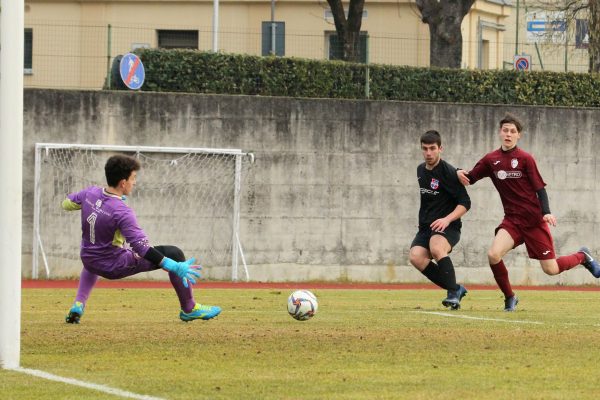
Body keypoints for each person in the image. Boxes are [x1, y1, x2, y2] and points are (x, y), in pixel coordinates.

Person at [458, 113, 600, 311]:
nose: (508, 134)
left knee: (551, 269)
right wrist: (456, 171)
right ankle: (510, 297)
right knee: (493, 254)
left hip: (534, 221)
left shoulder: (525, 159)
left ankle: (582, 256)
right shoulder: (491, 160)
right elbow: (471, 178)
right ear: (500, 133)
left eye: (513, 131)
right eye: (505, 130)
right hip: (512, 222)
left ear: (519, 135)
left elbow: (539, 189)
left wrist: (547, 212)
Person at [63, 154, 221, 323]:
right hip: (113, 266)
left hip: (88, 259)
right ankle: (190, 308)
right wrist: (173, 265)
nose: (135, 182)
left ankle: (78, 304)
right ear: (123, 183)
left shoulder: (90, 193)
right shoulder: (122, 211)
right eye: (133, 178)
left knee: (94, 258)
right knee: (174, 252)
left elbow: (66, 203)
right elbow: (142, 248)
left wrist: (96, 205)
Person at [409, 130, 471, 310]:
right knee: (416, 257)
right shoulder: (420, 170)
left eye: (432, 148)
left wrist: (446, 219)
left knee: (436, 247)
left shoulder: (450, 173)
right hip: (426, 227)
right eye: (425, 149)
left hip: (448, 226)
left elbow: (465, 203)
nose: (428, 153)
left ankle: (452, 295)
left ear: (440, 149)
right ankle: (456, 289)